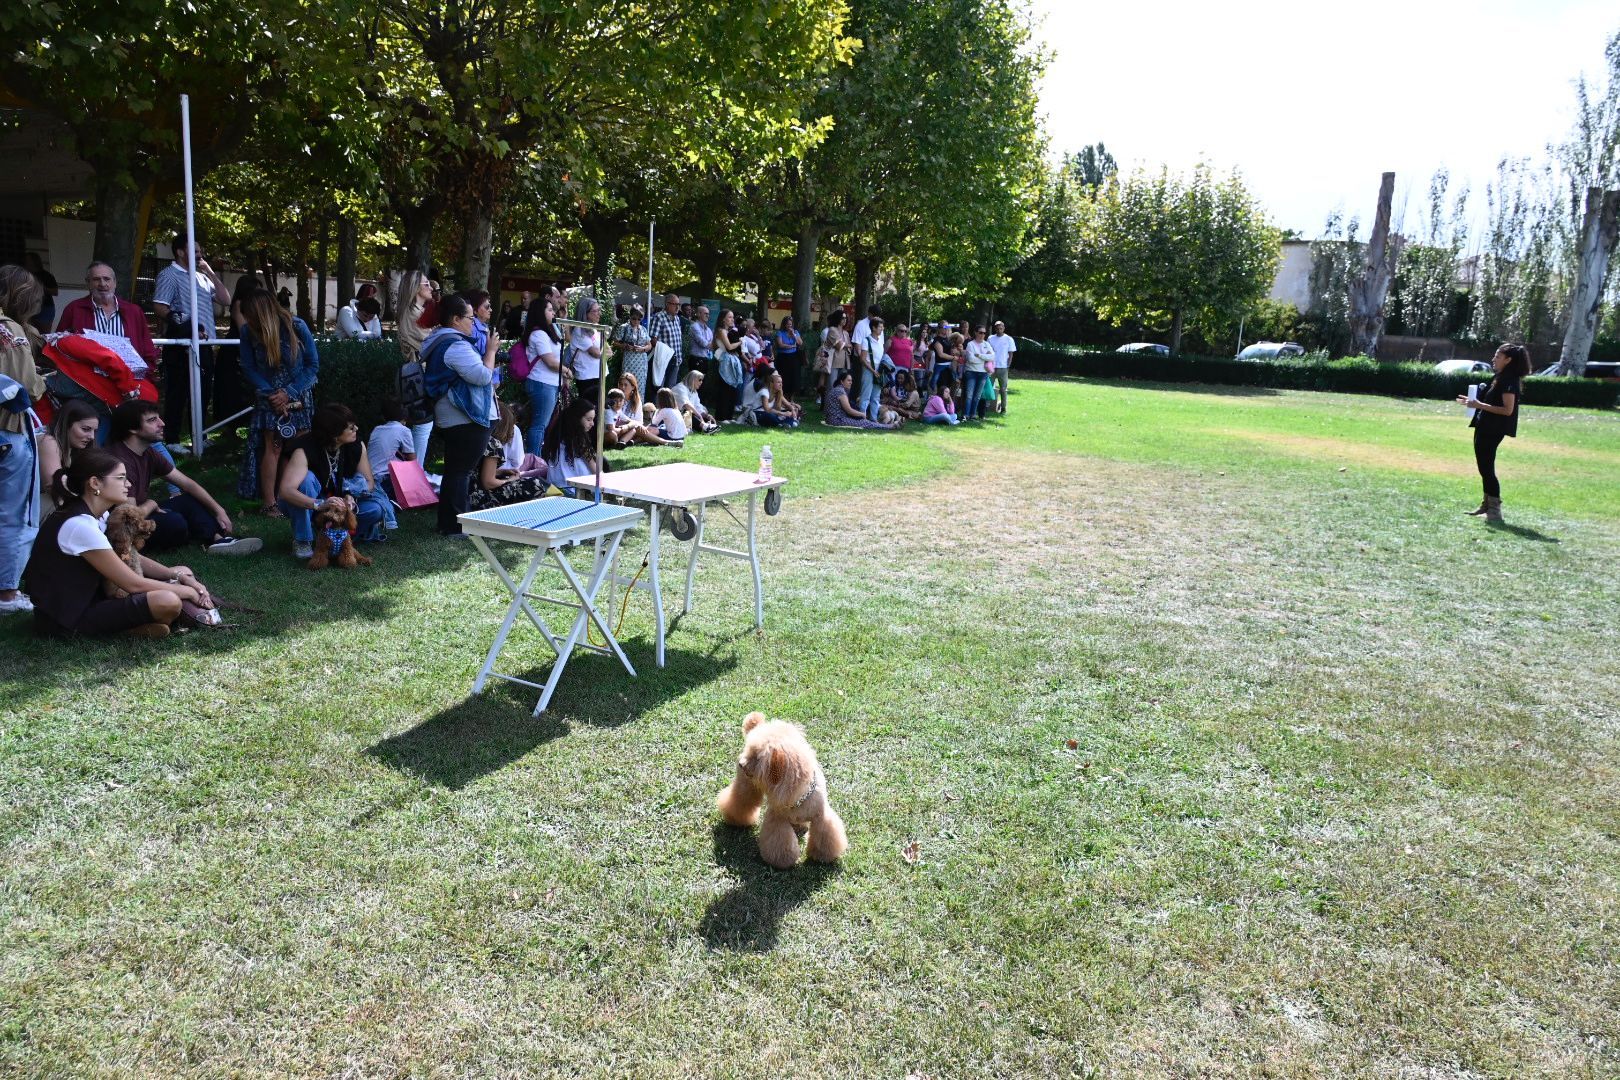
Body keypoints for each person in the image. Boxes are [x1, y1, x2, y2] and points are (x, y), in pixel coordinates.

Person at [24, 448, 210, 638]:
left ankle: (139, 625)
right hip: (68, 619)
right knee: (168, 601)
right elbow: (132, 584)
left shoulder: (100, 516)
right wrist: (187, 591)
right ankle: (125, 630)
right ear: (95, 483)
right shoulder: (79, 525)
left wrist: (177, 575)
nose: (128, 484)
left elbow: (128, 555)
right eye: (121, 478)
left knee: (183, 571)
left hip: (93, 600)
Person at [107, 400, 260, 555]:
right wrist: (152, 503)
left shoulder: (148, 453)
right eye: (152, 420)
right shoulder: (120, 461)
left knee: (188, 500)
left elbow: (188, 484)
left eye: (159, 418)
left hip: (141, 514)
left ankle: (219, 540)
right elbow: (130, 519)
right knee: (174, 522)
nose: (162, 423)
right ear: (132, 429)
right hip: (123, 527)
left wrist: (219, 510)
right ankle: (196, 534)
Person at [237, 289, 320, 516]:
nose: (248, 322)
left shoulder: (296, 326)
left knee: (298, 449)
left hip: (299, 396)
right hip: (269, 398)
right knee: (272, 448)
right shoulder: (247, 332)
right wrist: (272, 393)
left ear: (261, 314)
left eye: (251, 317)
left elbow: (312, 365)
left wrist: (289, 392)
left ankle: (297, 499)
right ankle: (270, 503)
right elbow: (248, 367)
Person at [422, 294, 496, 536]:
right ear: (455, 319)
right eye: (470, 318)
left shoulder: (443, 342)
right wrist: (492, 351)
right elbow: (483, 376)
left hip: (457, 417)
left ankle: (448, 523)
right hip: (464, 418)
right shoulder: (455, 345)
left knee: (456, 470)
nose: (473, 324)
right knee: (459, 472)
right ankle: (455, 526)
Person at [276, 403, 388, 557]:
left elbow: (369, 483)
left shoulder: (356, 445)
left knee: (375, 510)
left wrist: (351, 495)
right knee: (306, 480)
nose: (356, 429)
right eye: (350, 427)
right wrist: (320, 504)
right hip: (313, 504)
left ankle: (336, 538)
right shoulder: (304, 448)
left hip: (339, 507)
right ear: (335, 435)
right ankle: (303, 540)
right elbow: (286, 491)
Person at [152, 234, 231, 446]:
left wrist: (210, 272)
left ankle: (200, 436)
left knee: (203, 392)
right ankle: (172, 440)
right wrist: (183, 324)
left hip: (204, 345)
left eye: (200, 251)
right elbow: (160, 307)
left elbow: (226, 300)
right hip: (181, 345)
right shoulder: (169, 275)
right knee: (177, 392)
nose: (200, 255)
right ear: (180, 252)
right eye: (195, 251)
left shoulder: (202, 277)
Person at [0, 265, 46, 614]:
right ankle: (7, 593)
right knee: (15, 513)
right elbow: (29, 386)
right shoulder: (11, 330)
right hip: (9, 428)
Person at [1458, 342, 1531, 524]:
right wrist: (1473, 401)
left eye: (1498, 356)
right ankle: (1486, 505)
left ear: (1508, 360)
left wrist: (1479, 405)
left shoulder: (1509, 380)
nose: (1494, 358)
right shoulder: (1499, 377)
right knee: (1484, 467)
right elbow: (1487, 401)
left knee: (1487, 469)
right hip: (1484, 426)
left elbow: (1507, 410)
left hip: (1493, 429)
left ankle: (1495, 510)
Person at [469, 402, 551, 511]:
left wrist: (501, 472)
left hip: (466, 492)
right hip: (479, 499)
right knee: (535, 484)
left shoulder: (475, 437)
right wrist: (509, 481)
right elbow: (488, 483)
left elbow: (477, 472)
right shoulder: (493, 444)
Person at [396, 270, 436, 462]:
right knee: (422, 425)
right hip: (417, 376)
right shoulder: (412, 314)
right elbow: (430, 342)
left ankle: (415, 472)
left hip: (421, 374)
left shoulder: (420, 312)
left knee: (423, 426)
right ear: (414, 288)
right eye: (426, 284)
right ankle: (415, 473)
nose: (431, 287)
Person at [36, 399, 99, 509]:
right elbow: (55, 486)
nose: (92, 437)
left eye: (94, 431)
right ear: (66, 424)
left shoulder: (74, 446)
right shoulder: (47, 441)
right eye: (85, 429)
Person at [523, 295, 564, 454]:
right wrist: (566, 370)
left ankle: (538, 458)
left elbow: (563, 341)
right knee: (539, 425)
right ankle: (534, 461)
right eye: (549, 310)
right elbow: (551, 361)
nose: (553, 313)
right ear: (540, 313)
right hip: (542, 383)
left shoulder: (549, 331)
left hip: (551, 383)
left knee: (544, 424)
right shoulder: (537, 334)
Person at [541, 396, 601, 496]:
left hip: (554, 488)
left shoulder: (556, 436)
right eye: (589, 419)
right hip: (576, 490)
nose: (593, 424)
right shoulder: (579, 440)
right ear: (577, 418)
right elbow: (594, 468)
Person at [367, 397, 416, 502]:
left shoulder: (377, 429)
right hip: (385, 480)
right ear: (405, 417)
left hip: (369, 478)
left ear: (384, 416)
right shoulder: (404, 430)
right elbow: (412, 461)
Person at [824, 370, 898, 431]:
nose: (851, 382)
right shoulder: (840, 391)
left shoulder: (836, 389)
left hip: (832, 419)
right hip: (837, 420)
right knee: (864, 423)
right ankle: (891, 426)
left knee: (863, 421)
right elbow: (849, 410)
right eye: (848, 380)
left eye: (851, 381)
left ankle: (889, 425)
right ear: (842, 382)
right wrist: (862, 414)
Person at [568, 296, 605, 404]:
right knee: (588, 410)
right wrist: (603, 352)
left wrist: (603, 352)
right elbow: (596, 353)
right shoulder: (579, 331)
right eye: (595, 311)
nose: (599, 313)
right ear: (586, 313)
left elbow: (607, 350)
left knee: (597, 410)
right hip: (587, 377)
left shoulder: (596, 328)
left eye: (599, 310)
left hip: (598, 374)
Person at [710, 309, 745, 421]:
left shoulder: (730, 331)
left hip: (731, 361)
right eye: (729, 317)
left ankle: (729, 416)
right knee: (724, 390)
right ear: (723, 319)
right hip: (723, 363)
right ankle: (722, 416)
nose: (732, 319)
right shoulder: (721, 331)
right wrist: (740, 342)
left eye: (732, 317)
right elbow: (729, 347)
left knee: (732, 389)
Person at [647, 293, 685, 393]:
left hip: (676, 360)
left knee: (670, 390)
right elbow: (653, 339)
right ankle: (656, 408)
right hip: (663, 359)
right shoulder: (659, 317)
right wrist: (666, 351)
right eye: (675, 304)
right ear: (667, 304)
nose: (677, 307)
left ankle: (668, 408)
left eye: (679, 304)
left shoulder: (677, 318)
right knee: (659, 388)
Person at [852, 315, 886, 422]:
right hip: (869, 370)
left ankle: (873, 419)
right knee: (865, 395)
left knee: (876, 396)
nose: (882, 329)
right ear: (874, 328)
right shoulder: (866, 340)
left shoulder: (880, 341)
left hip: (879, 370)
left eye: (882, 327)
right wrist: (873, 371)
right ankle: (862, 418)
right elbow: (863, 359)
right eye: (880, 327)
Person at [612, 303, 652, 390]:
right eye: (634, 318)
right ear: (630, 316)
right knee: (627, 384)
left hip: (641, 362)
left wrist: (643, 349)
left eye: (639, 319)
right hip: (629, 360)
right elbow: (614, 342)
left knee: (640, 386)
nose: (636, 321)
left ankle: (639, 403)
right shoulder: (624, 327)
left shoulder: (643, 329)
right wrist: (624, 346)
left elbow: (649, 345)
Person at [21, 253, 58, 334]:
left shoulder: (46, 275)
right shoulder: (25, 275)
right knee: (30, 333)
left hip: (45, 308)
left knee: (44, 334)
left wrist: (41, 288)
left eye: (28, 260)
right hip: (29, 308)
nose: (26, 262)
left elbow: (55, 292)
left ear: (34, 261)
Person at [816, 309, 850, 399]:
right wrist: (846, 345)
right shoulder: (832, 330)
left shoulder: (846, 333)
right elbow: (839, 346)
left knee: (843, 386)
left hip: (844, 362)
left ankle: (840, 406)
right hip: (833, 362)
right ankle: (829, 407)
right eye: (842, 318)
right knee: (832, 386)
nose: (844, 320)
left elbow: (849, 347)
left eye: (846, 318)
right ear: (837, 318)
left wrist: (845, 345)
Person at [962, 325, 994, 421]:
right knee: (969, 395)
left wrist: (979, 355)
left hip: (983, 373)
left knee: (977, 396)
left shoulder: (987, 344)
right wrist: (985, 357)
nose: (982, 334)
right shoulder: (970, 344)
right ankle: (965, 415)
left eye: (984, 333)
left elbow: (992, 357)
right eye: (980, 332)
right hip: (971, 372)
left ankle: (972, 415)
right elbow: (971, 359)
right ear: (975, 332)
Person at [987, 319, 1017, 414]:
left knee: (1003, 389)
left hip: (1003, 367)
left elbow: (1011, 353)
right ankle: (986, 406)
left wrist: (1008, 364)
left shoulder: (1009, 339)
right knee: (988, 387)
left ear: (1003, 328)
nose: (999, 330)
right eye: (997, 328)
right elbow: (986, 351)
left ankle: (1003, 408)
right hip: (991, 366)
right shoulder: (990, 338)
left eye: (1001, 328)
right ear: (995, 328)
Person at [773, 315, 804, 399]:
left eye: (791, 324)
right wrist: (792, 346)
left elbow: (800, 343)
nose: (789, 326)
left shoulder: (795, 332)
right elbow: (780, 345)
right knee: (784, 377)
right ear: (784, 324)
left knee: (793, 377)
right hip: (783, 358)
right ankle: (782, 397)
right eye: (787, 324)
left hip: (793, 357)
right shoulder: (780, 333)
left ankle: (792, 398)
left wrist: (793, 335)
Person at [685, 304, 714, 392]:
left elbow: (711, 345)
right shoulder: (695, 327)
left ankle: (699, 404)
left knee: (702, 386)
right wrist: (710, 344)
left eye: (708, 314)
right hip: (696, 359)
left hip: (705, 359)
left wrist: (710, 345)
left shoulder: (708, 329)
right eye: (705, 313)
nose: (707, 315)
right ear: (698, 314)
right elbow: (704, 343)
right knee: (694, 385)